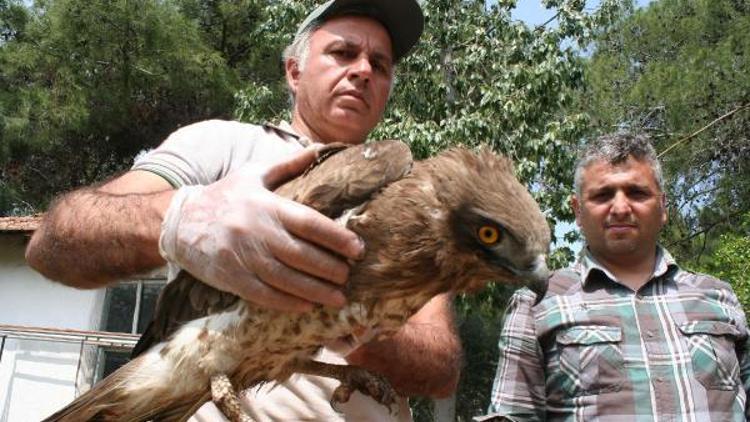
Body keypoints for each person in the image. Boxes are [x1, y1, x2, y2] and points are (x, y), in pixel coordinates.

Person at [25, 1, 461, 420]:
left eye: (380, 65)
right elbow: (53, 243)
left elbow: (442, 368)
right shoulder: (225, 145)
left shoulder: (409, 199)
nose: (363, 71)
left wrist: (353, 320)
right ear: (295, 71)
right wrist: (182, 217)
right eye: (343, 52)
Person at [479, 133, 750, 421]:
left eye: (637, 193)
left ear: (663, 207)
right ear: (578, 211)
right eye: (602, 195)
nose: (620, 208)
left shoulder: (719, 297)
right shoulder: (535, 304)